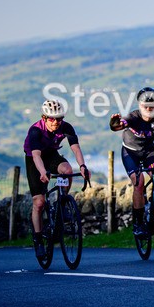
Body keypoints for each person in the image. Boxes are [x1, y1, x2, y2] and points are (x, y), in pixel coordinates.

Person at [109, 87, 154, 237]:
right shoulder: (133, 117)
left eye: (152, 107)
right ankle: (138, 223)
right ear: (139, 105)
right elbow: (117, 126)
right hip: (130, 153)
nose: (149, 110)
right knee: (139, 182)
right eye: (145, 107)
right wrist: (113, 122)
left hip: (149, 151)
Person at [23, 99, 90, 258]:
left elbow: (75, 148)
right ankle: (38, 239)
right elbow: (36, 156)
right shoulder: (35, 131)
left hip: (51, 155)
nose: (56, 122)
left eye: (59, 118)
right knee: (39, 203)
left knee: (67, 170)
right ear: (44, 118)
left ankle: (63, 202)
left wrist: (82, 166)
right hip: (34, 159)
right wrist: (42, 172)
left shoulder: (66, 127)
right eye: (52, 119)